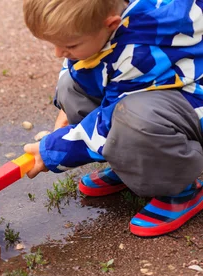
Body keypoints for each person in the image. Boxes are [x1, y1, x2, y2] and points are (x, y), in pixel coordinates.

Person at [21, 0, 203, 237]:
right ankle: (132, 164)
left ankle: (180, 189)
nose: (58, 53)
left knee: (135, 117)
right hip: (146, 95)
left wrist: (52, 152)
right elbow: (81, 67)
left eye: (70, 45)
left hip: (190, 104)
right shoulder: (103, 21)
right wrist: (65, 109)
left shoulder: (139, 52)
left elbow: (106, 124)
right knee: (70, 86)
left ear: (111, 24)